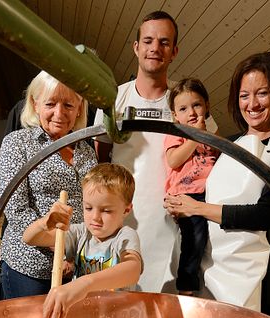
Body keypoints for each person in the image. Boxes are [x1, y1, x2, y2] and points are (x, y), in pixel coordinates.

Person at [164, 52, 270, 310]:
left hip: (240, 277)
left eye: (262, 93)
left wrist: (196, 208)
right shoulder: (229, 144)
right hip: (204, 266)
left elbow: (263, 215)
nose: (252, 104)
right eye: (244, 95)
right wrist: (181, 206)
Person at [93, 11, 216, 294]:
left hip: (174, 224)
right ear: (136, 48)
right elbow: (101, 160)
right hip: (123, 221)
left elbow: (209, 152)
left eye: (163, 42)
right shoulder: (114, 99)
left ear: (174, 51)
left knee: (167, 312)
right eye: (148, 41)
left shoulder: (185, 102)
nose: (154, 48)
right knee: (120, 308)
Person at [0, 70, 97, 299]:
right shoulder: (17, 144)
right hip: (29, 267)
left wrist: (74, 254)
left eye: (69, 105)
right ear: (35, 104)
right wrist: (61, 250)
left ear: (80, 107)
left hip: (76, 269)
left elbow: (92, 204)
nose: (59, 113)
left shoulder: (86, 151)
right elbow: (17, 211)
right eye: (50, 104)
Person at [23, 163, 142, 318]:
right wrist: (44, 223)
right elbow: (31, 238)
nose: (95, 218)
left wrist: (85, 284)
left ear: (127, 210)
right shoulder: (80, 233)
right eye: (88, 208)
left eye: (106, 211)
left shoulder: (125, 236)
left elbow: (132, 269)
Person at [163, 78, 219, 296]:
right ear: (176, 115)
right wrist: (195, 138)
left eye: (197, 105)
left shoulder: (211, 135)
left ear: (206, 107)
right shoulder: (176, 133)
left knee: (210, 241)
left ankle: (209, 287)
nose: (192, 112)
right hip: (186, 194)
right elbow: (173, 160)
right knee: (194, 237)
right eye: (183, 108)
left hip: (209, 194)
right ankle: (186, 286)